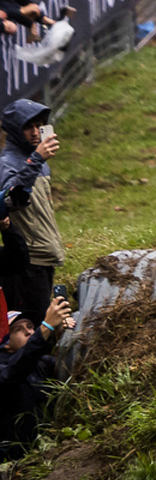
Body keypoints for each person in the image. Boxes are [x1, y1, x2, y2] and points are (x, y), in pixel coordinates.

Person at [0, 102, 63, 322]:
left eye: (39, 126)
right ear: (16, 130)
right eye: (29, 127)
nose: (36, 132)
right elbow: (10, 200)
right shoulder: (7, 163)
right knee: (34, 328)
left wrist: (37, 160)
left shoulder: (41, 163)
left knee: (49, 325)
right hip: (27, 260)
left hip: (46, 254)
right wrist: (35, 159)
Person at [0, 295, 75, 457]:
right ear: (5, 342)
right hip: (11, 460)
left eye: (30, 326)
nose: (28, 332)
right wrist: (45, 327)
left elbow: (69, 366)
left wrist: (64, 333)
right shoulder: (6, 368)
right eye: (18, 329)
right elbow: (13, 372)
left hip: (44, 450)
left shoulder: (40, 362)